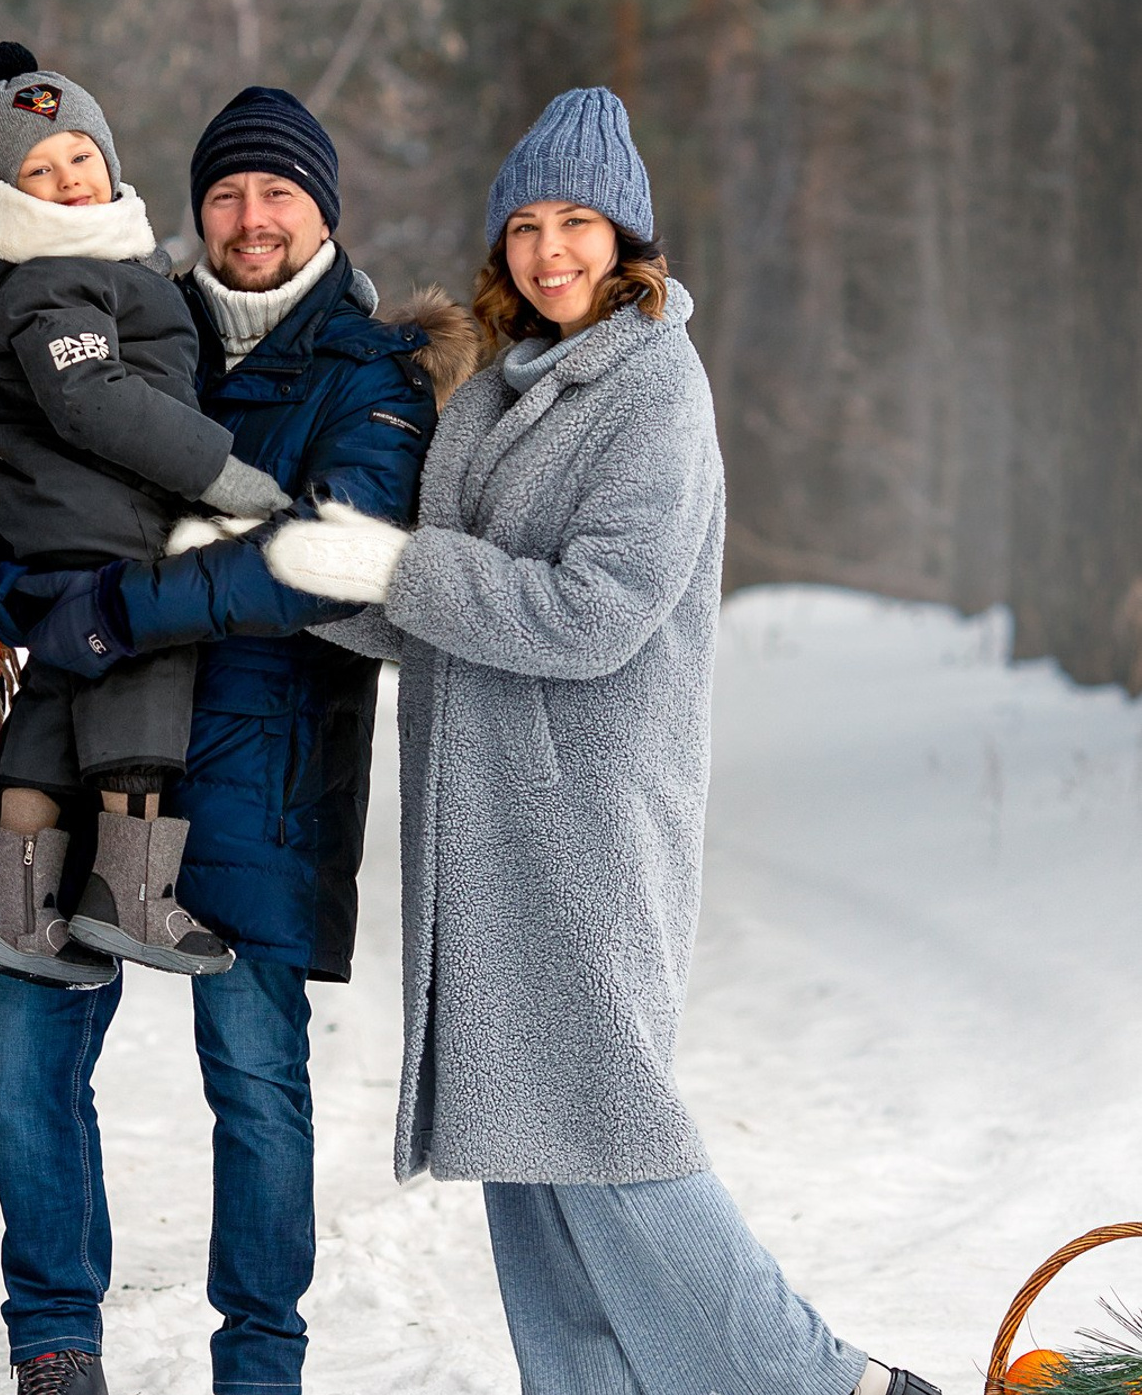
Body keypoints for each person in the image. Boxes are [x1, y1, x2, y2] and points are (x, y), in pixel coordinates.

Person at [264, 86, 940, 1395]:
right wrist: (302, 574)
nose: (550, 250)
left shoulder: (653, 389)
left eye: (576, 223)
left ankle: (831, 1383)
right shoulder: (491, 392)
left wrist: (397, 569)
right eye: (526, 226)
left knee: (612, 1135)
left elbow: (594, 613)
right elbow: (447, 610)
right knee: (529, 1162)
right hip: (484, 828)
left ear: (625, 236)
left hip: (585, 826)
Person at [0, 86, 478, 1395]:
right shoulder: (126, 315)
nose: (251, 218)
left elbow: (326, 557)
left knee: (254, 1084)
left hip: (264, 772)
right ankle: (54, 1343)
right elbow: (21, 494)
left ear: (324, 210)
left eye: (278, 193)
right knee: (27, 1062)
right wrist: (18, 594)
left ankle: (260, 1366)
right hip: (87, 749)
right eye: (227, 193)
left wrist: (113, 607)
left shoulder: (372, 370)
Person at [0, 43, 295, 984]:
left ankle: (8, 901)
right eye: (38, 171)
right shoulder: (52, 276)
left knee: (61, 696)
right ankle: (130, 892)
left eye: (80, 157)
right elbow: (93, 397)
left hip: (72, 526)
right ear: (4, 194)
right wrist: (220, 475)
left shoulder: (93, 263)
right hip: (103, 528)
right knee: (146, 661)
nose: (67, 181)